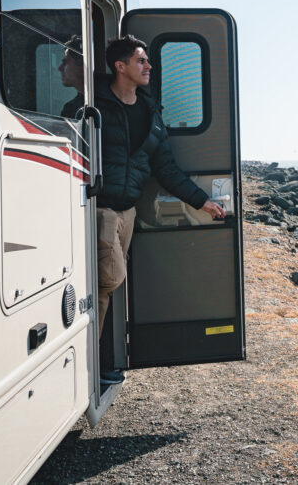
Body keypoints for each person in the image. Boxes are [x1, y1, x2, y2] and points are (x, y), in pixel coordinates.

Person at [95, 35, 225, 386]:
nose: (149, 66)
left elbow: (166, 168)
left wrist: (201, 200)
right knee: (109, 281)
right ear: (120, 67)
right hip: (101, 210)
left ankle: (99, 361)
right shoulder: (95, 105)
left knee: (105, 287)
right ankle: (97, 362)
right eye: (141, 60)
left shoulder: (150, 114)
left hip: (129, 214)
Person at [58, 35, 85, 119]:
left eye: (65, 62)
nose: (60, 68)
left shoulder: (72, 110)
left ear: (82, 66)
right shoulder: (70, 108)